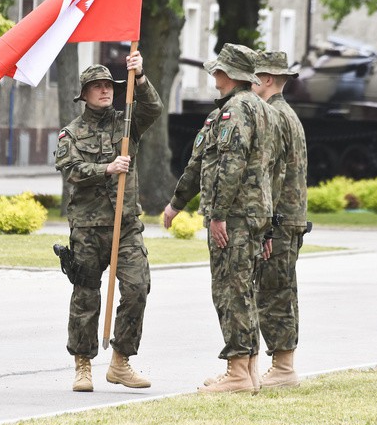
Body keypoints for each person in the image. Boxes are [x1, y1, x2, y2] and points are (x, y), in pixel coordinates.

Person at [163, 43, 278, 393]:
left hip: (237, 216)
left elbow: (229, 165)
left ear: (227, 75)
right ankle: (249, 370)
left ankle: (238, 373)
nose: (213, 77)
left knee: (230, 291)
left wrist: (217, 214)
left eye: (217, 71)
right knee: (244, 290)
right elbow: (270, 170)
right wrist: (269, 224)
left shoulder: (234, 111)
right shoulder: (263, 109)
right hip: (255, 214)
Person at [54, 50, 162, 392]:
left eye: (109, 86)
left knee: (137, 288)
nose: (105, 91)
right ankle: (83, 365)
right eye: (97, 87)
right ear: (84, 94)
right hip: (88, 228)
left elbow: (153, 109)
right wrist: (106, 168)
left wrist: (140, 77)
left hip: (126, 225)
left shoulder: (126, 124)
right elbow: (70, 170)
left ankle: (120, 361)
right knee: (86, 297)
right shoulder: (71, 133)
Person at [251, 50, 308, 388]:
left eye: (254, 77)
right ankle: (282, 364)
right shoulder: (287, 113)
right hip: (289, 217)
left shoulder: (273, 116)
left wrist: (267, 225)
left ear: (267, 80)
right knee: (281, 288)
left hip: (280, 220)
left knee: (274, 291)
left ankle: (284, 367)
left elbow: (272, 173)